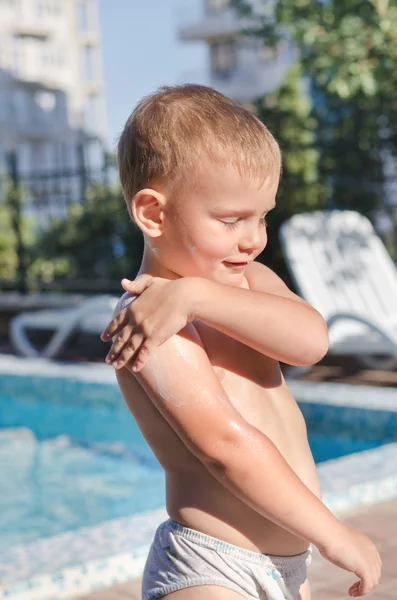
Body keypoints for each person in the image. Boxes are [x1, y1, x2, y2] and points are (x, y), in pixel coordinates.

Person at [101, 84, 381, 600]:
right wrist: (332, 534)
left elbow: (310, 342)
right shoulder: (148, 320)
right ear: (153, 214)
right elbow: (224, 448)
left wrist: (198, 297)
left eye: (262, 217)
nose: (253, 239)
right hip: (211, 566)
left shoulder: (247, 281)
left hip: (285, 569)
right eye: (231, 220)